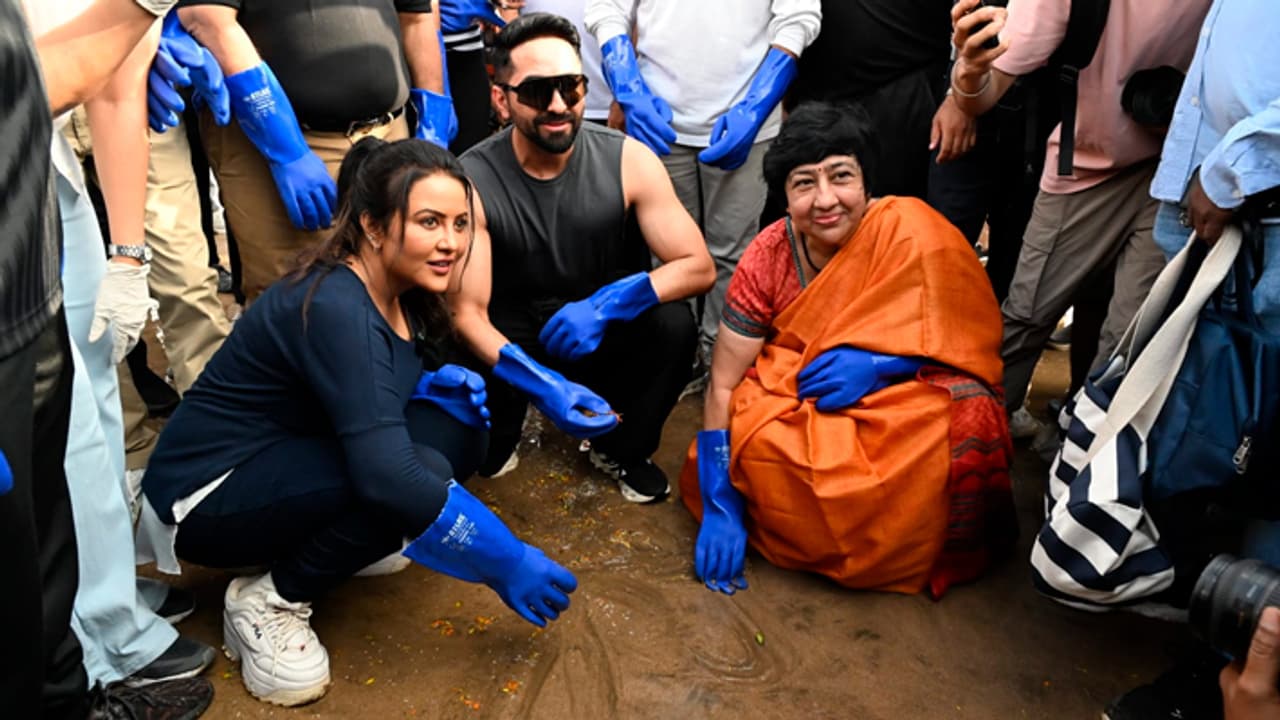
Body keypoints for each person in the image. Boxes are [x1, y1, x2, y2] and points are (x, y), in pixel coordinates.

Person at [137, 137, 577, 707]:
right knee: (405, 475)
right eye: (429, 222)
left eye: (461, 223)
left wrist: (423, 385)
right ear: (373, 226)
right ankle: (268, 599)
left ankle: (330, 546)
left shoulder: (403, 289)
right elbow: (387, 469)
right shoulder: (334, 302)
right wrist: (505, 559)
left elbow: (354, 387)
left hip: (283, 458)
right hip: (206, 496)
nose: (451, 242)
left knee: (458, 426)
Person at [681, 102, 1014, 597]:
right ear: (784, 198)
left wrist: (887, 364)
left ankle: (906, 543)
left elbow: (967, 343)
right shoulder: (768, 256)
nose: (825, 200)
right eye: (803, 184)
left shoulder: (911, 232)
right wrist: (721, 504)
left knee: (971, 411)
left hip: (900, 397)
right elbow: (726, 381)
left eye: (841, 177)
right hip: (803, 396)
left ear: (866, 183)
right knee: (756, 434)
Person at [4, 1, 217, 717]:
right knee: (47, 437)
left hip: (50, 182)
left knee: (90, 400)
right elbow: (44, 79)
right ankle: (88, 643)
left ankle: (107, 605)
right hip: (15, 166)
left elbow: (121, 85)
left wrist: (127, 255)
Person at [452, 13, 715, 502]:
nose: (558, 106)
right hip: (514, 332)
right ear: (501, 100)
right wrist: (542, 384)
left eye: (571, 88)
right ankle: (502, 430)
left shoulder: (628, 159)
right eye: (536, 92)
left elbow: (698, 265)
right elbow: (465, 313)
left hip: (600, 327)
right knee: (475, 431)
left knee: (673, 324)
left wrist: (605, 306)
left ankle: (622, 447)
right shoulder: (471, 178)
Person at [948, 0, 1211, 436]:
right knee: (1028, 315)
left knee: (1129, 341)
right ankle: (974, 449)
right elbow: (986, 90)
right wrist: (968, 75)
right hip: (1085, 166)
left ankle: (1083, 474)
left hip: (1179, 171)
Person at [584, 0, 821, 369]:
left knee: (734, 255)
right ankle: (674, 365)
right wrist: (629, 90)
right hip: (659, 118)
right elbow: (606, 8)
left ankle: (721, 363)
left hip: (746, 118)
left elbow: (799, 16)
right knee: (670, 258)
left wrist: (755, 106)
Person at [176, 0, 450, 300]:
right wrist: (286, 149)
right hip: (277, 141)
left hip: (389, 131)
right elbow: (208, 18)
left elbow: (417, 18)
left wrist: (433, 119)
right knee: (293, 293)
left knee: (400, 284)